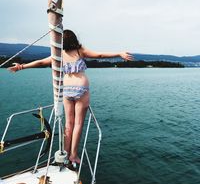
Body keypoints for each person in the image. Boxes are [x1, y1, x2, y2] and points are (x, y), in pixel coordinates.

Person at [8, 29, 133, 166]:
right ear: (74, 39)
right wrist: (119, 53)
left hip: (66, 90)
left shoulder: (59, 54)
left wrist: (21, 67)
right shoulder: (80, 51)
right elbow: (100, 54)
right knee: (78, 124)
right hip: (81, 89)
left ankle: (65, 152)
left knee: (69, 124)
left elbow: (40, 62)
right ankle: (73, 155)